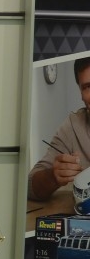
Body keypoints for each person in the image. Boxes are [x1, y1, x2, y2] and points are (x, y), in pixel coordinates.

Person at [28, 56, 90, 201]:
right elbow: (29, 187)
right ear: (81, 94)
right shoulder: (72, 126)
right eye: (88, 87)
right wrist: (53, 176)